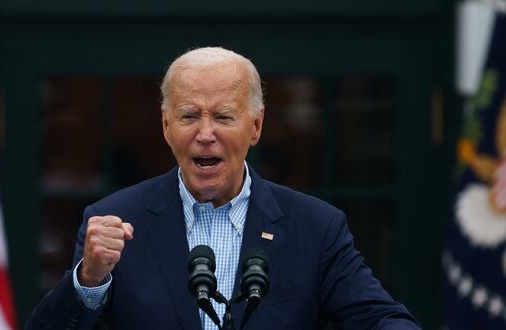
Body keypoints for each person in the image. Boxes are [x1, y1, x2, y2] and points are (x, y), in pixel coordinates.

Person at [26, 47, 420, 329]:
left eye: (224, 116)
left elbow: (381, 319)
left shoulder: (315, 227)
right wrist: (89, 281)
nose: (205, 134)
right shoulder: (114, 221)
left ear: (256, 126)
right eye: (189, 115)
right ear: (166, 126)